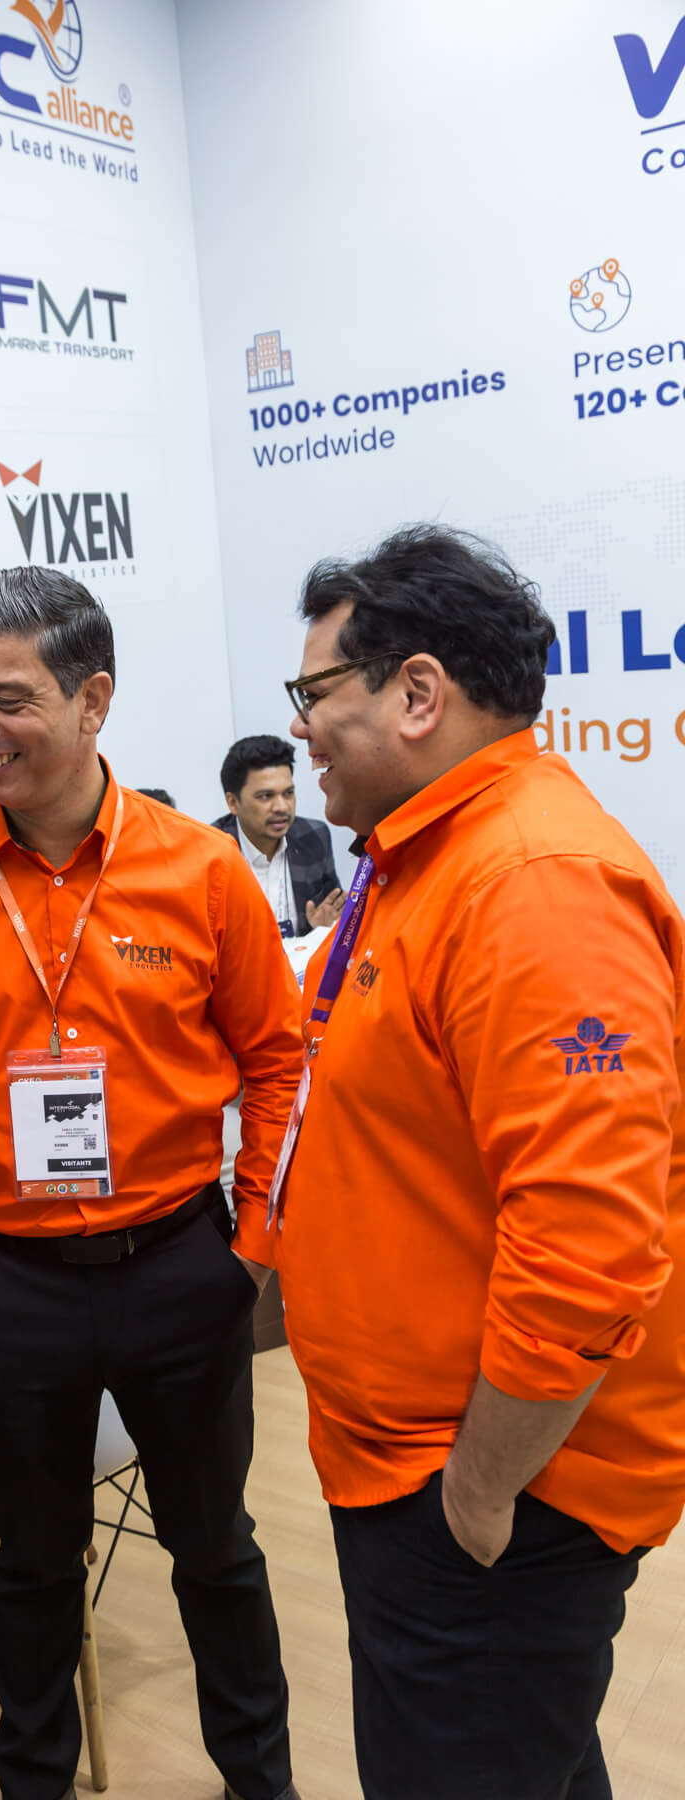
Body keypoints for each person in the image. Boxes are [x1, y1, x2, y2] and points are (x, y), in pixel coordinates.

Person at [0, 566, 304, 1800]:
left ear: (93, 700)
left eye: (8, 698)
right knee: (36, 1559)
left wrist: (251, 1247)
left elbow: (278, 1062)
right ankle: (33, 1782)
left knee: (216, 1550)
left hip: (180, 1268)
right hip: (7, 1285)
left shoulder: (200, 872)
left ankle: (260, 1781)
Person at [273, 525, 685, 1800]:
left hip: (487, 1486)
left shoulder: (531, 884)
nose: (297, 729)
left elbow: (592, 1243)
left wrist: (483, 1489)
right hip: (419, 1460)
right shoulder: (432, 859)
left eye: (312, 692)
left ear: (417, 692)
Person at [211, 735, 342, 938]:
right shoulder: (210, 852)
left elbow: (333, 913)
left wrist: (321, 929)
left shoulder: (313, 836)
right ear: (233, 803)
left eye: (288, 793)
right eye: (266, 796)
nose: (281, 807)